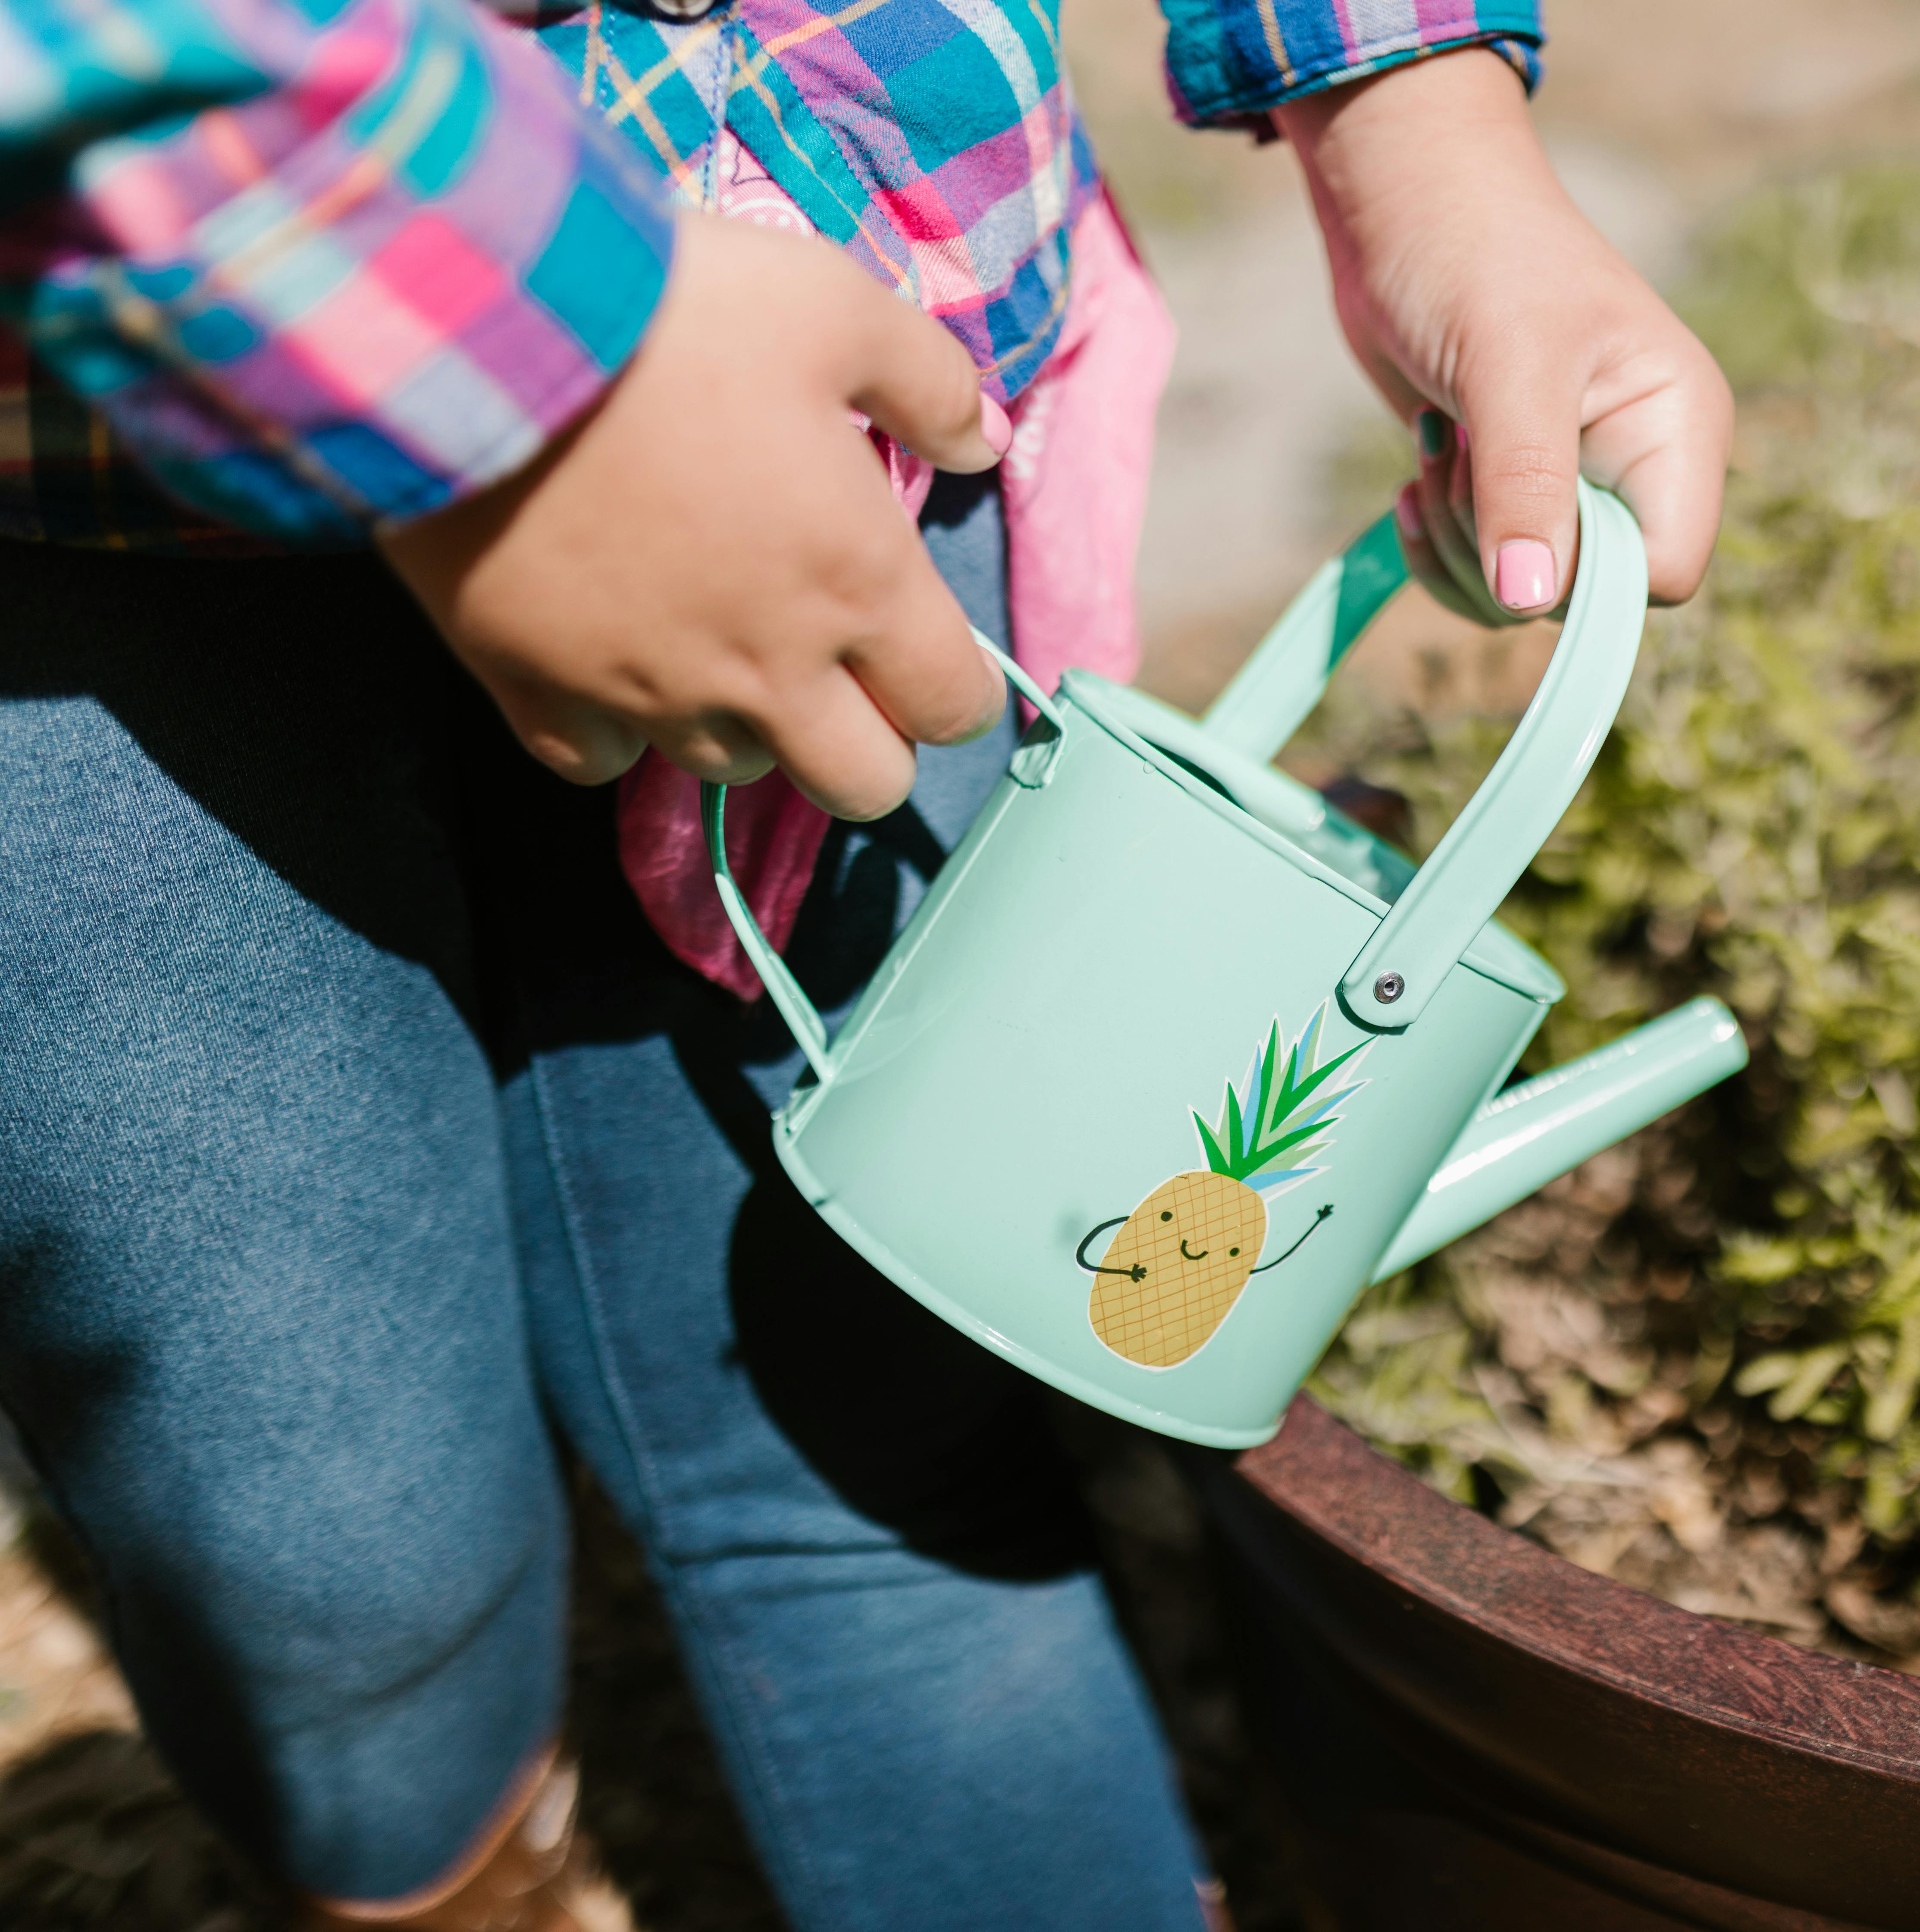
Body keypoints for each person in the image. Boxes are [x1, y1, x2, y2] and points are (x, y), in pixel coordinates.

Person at [0, 0, 1731, 1922]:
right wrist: (506, 342)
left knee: (876, 1424)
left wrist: (1413, 104)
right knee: (323, 1548)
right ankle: (458, 1863)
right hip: (87, 515)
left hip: (838, 335)